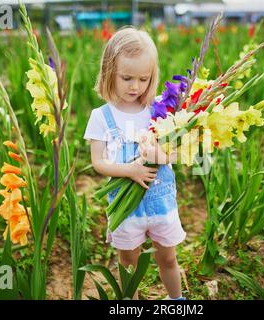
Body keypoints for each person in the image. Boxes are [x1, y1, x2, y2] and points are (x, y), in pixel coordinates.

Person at [83, 27, 187, 300]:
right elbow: (98, 162)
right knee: (128, 263)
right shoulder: (101, 116)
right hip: (126, 211)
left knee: (168, 259)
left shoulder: (158, 110)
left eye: (144, 79)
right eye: (126, 78)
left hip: (161, 204)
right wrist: (130, 169)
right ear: (109, 72)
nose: (135, 86)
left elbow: (175, 152)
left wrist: (159, 157)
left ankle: (177, 301)